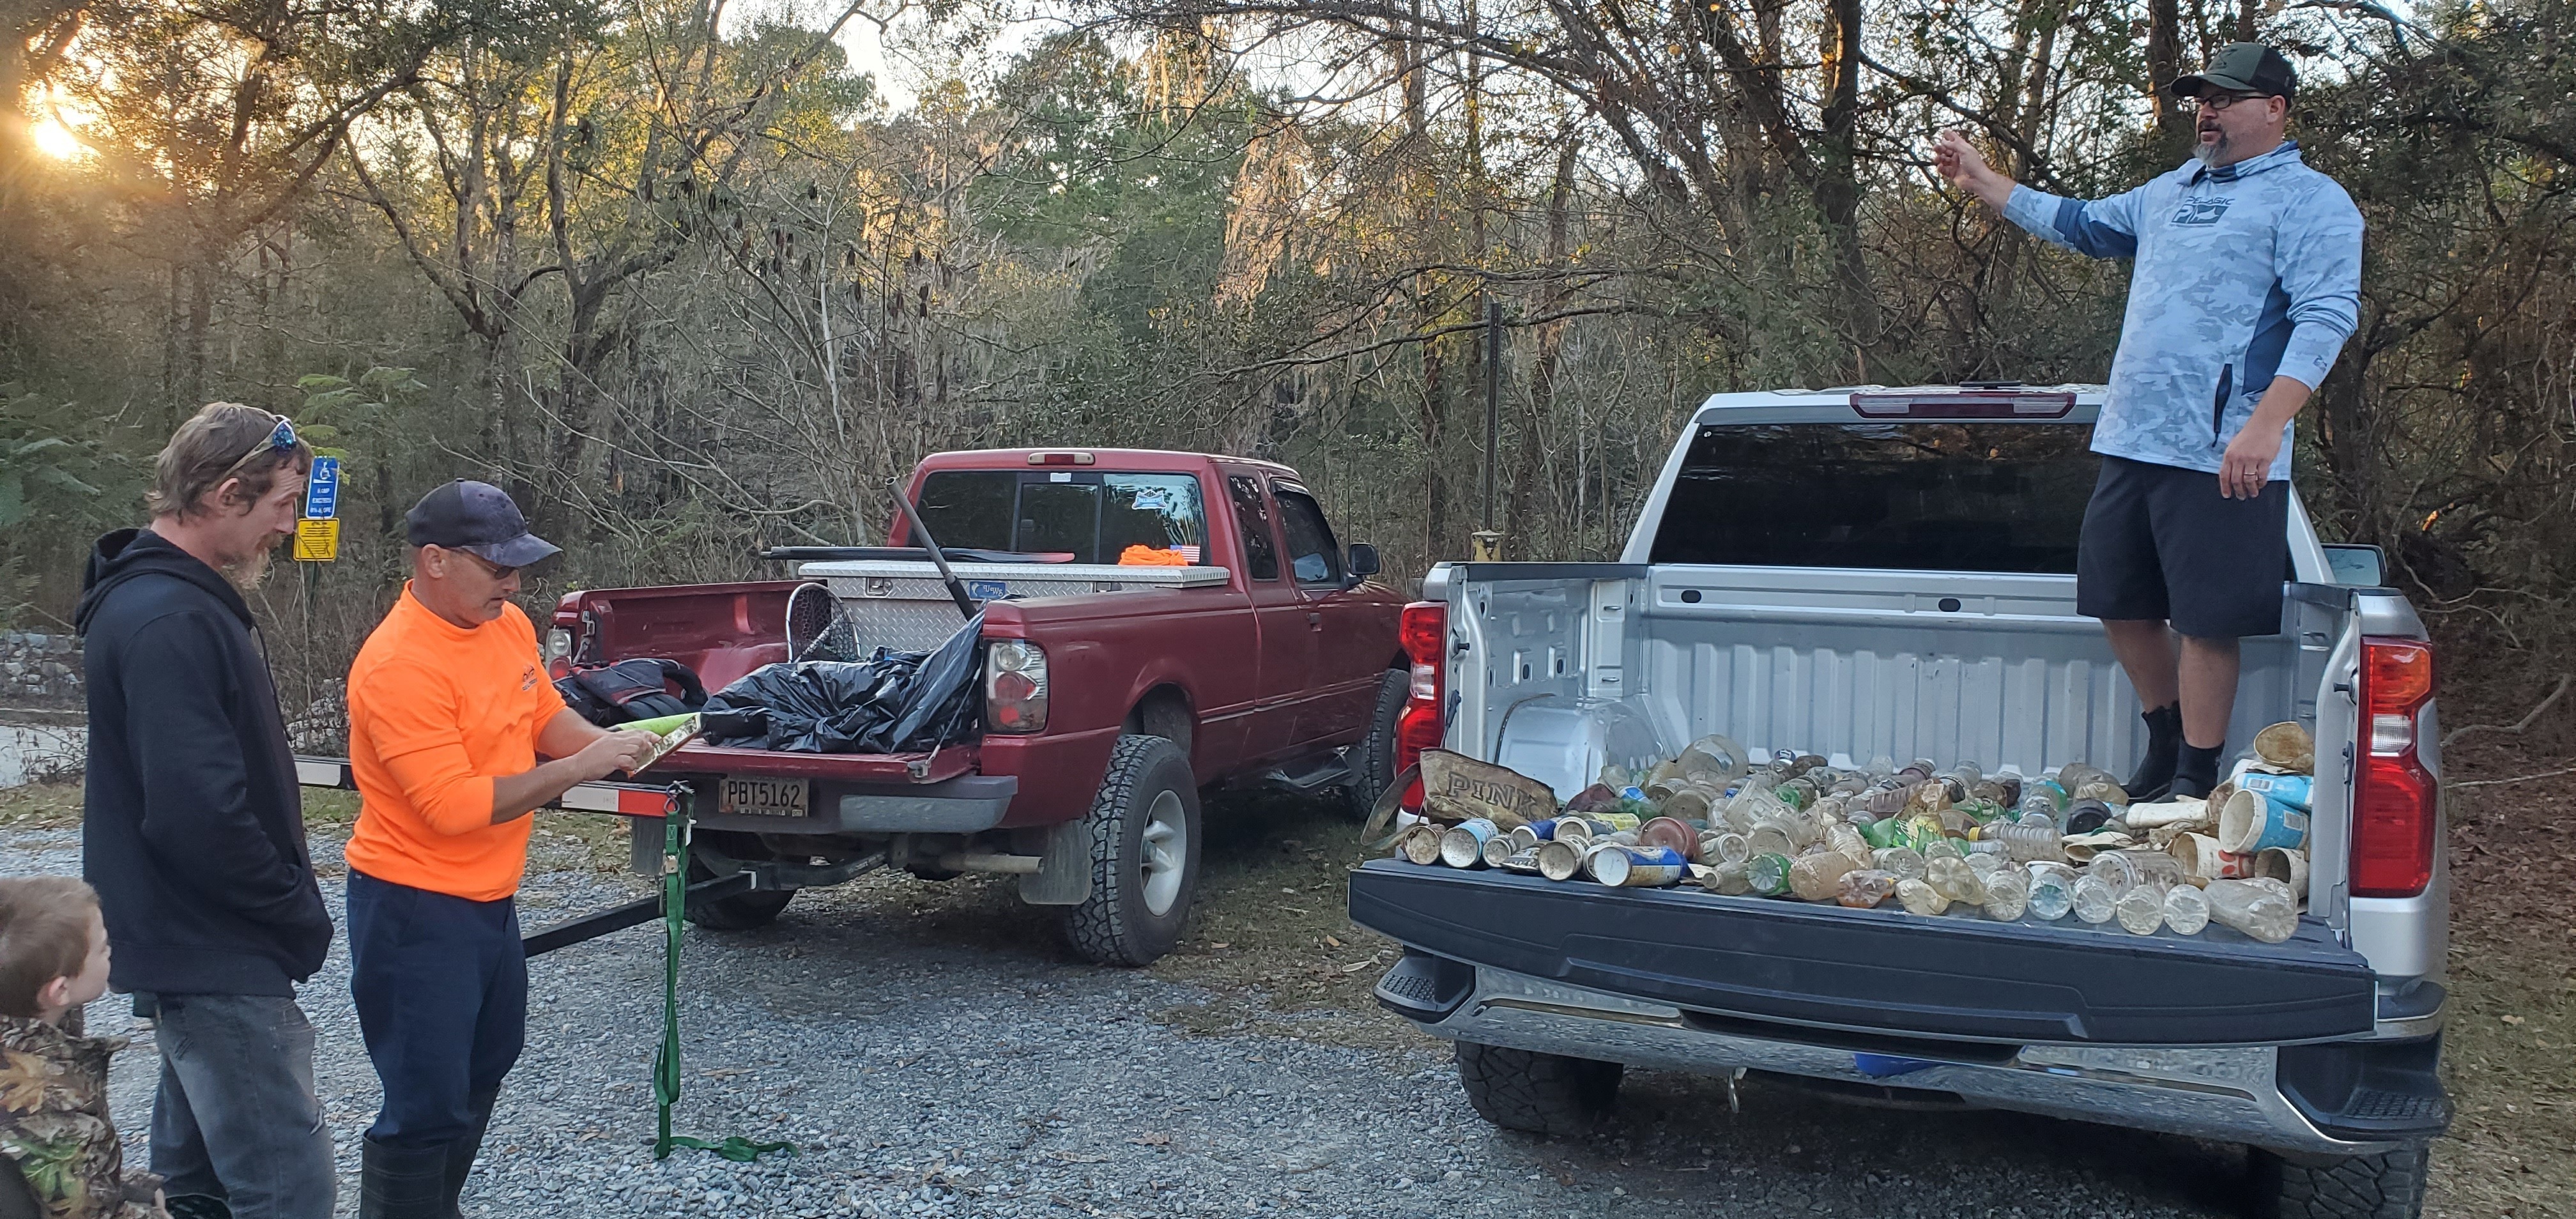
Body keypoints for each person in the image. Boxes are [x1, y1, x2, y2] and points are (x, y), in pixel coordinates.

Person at [1933, 42, 2363, 799]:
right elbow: (2084, 225)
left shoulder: (2310, 200)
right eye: (2203, 97)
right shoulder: (2172, 190)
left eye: (2226, 98)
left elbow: (2327, 316)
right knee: (2118, 600)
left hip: (2225, 448)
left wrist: (2265, 426)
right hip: (2133, 438)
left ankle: (2197, 778)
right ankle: (2164, 741)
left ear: (2275, 109)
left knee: (2205, 621)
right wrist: (1984, 181)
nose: (2209, 109)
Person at [341, 481, 659, 1219]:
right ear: (435, 561)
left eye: (519, 568)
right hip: (412, 907)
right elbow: (450, 808)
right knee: (424, 1099)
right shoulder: (398, 665)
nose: (514, 584)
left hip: (489, 901)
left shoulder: (506, 625)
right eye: (498, 568)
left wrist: (617, 748)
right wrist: (574, 771)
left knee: (486, 1065)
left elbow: (544, 716)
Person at [72, 404, 336, 1219]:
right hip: (215, 947)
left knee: (197, 1189)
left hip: (194, 943)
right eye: (280, 506)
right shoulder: (166, 617)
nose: (287, 528)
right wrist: (291, 908)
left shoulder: (173, 603)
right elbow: (197, 813)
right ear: (226, 493)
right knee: (288, 1192)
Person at [0, 878, 164, 1219]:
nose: (110, 950)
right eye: (103, 948)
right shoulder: (49, 1102)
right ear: (59, 991)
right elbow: (88, 1212)